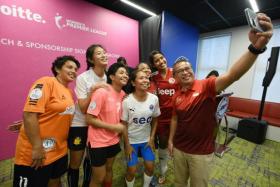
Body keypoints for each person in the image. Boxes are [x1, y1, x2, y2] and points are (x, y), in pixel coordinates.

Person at [168, 13, 273, 187]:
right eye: (181, 71)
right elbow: (174, 118)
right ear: (176, 77)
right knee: (179, 183)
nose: (186, 71)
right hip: (179, 148)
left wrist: (256, 47)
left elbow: (233, 74)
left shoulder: (206, 86)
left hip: (200, 153)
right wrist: (171, 141)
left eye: (188, 68)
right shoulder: (176, 95)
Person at [13, 56, 80, 187]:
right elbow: (30, 113)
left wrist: (28, 122)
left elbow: (55, 114)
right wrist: (37, 147)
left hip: (59, 151)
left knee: (55, 182)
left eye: (76, 69)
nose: (74, 71)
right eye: (69, 67)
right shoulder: (46, 82)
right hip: (38, 152)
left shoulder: (68, 91)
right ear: (57, 68)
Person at [68, 44, 108, 187]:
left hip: (96, 124)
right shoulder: (83, 78)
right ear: (91, 60)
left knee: (91, 159)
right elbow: (84, 108)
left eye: (104, 52)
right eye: (99, 53)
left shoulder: (109, 77)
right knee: (75, 163)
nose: (104, 55)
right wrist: (93, 90)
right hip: (80, 124)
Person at [86, 62, 129, 187]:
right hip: (98, 142)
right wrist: (114, 127)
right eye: (121, 72)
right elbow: (89, 119)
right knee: (99, 177)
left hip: (113, 140)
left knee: (109, 169)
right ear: (112, 77)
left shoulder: (122, 95)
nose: (125, 75)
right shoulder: (102, 92)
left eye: (126, 73)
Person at [122, 70, 161, 187]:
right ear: (133, 83)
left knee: (150, 167)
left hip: (146, 140)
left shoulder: (154, 99)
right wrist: (127, 145)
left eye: (147, 78)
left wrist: (152, 138)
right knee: (131, 170)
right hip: (131, 141)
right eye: (141, 78)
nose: (145, 80)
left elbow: (155, 119)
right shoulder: (127, 101)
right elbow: (123, 124)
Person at [149, 51, 178, 183]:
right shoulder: (153, 77)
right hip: (161, 117)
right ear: (154, 64)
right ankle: (163, 171)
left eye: (162, 58)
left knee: (179, 143)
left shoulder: (176, 72)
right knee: (163, 144)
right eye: (157, 60)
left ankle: (180, 167)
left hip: (177, 116)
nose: (161, 61)